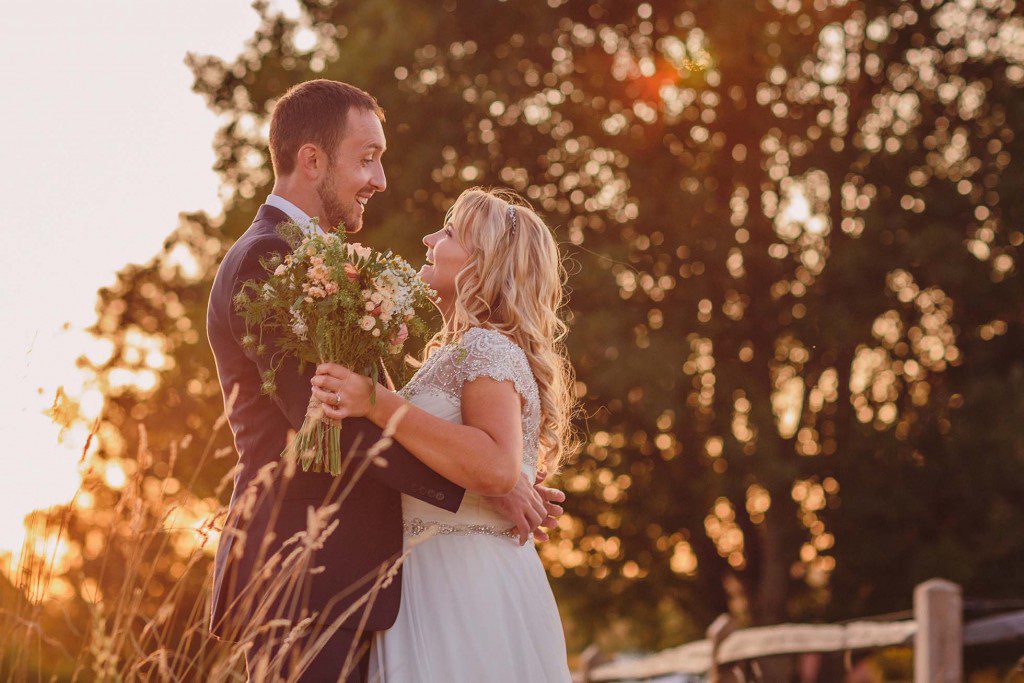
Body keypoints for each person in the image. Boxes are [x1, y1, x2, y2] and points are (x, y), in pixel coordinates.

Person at [205, 79, 565, 682]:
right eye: (367, 158)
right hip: (303, 573)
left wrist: (486, 475)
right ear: (312, 160)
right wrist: (481, 486)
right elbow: (326, 423)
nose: (381, 180)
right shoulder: (265, 259)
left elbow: (373, 411)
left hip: (353, 584)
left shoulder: (316, 262)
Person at [313, 187, 576, 681]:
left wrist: (376, 400)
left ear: (486, 261)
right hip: (432, 573)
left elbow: (497, 466)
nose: (430, 238)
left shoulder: (486, 347)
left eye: (449, 232)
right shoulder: (457, 352)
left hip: (462, 581)